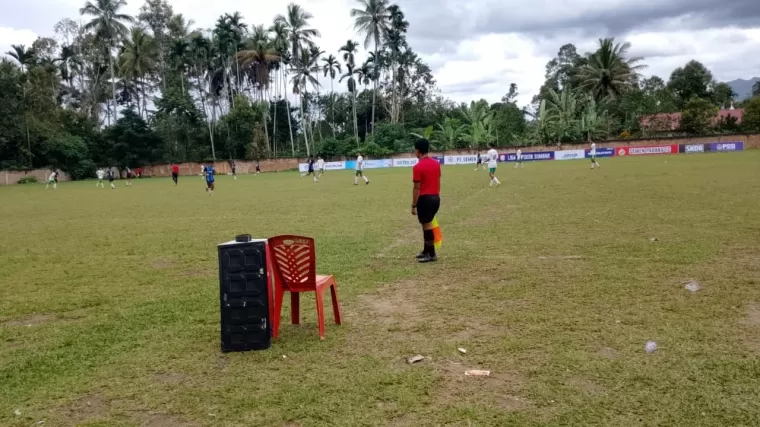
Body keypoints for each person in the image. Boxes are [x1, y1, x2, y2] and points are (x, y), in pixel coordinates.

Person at [411, 139, 441, 263]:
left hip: (425, 199)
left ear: (417, 151)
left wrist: (413, 205)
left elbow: (416, 188)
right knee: (427, 224)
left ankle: (431, 253)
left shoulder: (418, 167)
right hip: (436, 197)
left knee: (427, 225)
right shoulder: (436, 163)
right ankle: (426, 250)